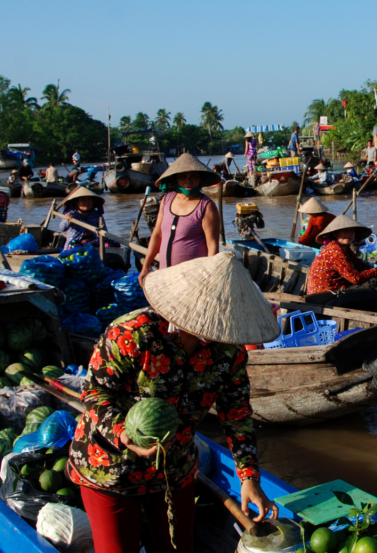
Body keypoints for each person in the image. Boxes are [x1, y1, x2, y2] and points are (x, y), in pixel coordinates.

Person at [69, 252, 280, 553]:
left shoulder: (229, 353)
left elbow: (236, 414)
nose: (216, 332)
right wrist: (123, 433)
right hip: (111, 466)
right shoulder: (132, 333)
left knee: (178, 548)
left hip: (175, 468)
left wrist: (249, 478)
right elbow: (95, 393)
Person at [140, 154, 223, 285]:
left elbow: (212, 246)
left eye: (193, 177)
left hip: (193, 279)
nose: (188, 181)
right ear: (175, 179)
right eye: (183, 177)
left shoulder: (206, 206)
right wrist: (146, 266)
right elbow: (157, 234)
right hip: (165, 275)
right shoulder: (166, 200)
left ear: (201, 179)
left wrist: (209, 277)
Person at [58, 187, 107, 251]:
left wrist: (94, 242)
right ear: (76, 202)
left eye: (89, 199)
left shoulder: (97, 215)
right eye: (83, 199)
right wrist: (68, 220)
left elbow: (105, 234)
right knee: (74, 245)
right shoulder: (72, 214)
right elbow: (61, 228)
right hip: (76, 244)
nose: (87, 202)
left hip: (93, 244)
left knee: (113, 243)